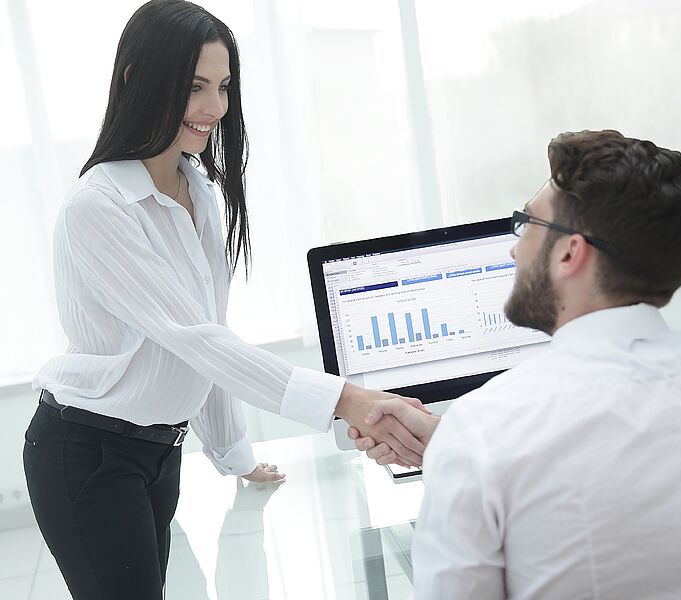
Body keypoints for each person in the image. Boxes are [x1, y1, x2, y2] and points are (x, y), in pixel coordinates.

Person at [21, 2, 424, 598]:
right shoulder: (98, 207)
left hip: (159, 449)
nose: (215, 107)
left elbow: (207, 336)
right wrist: (346, 398)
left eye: (223, 86)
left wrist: (235, 455)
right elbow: (196, 340)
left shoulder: (197, 188)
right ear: (137, 79)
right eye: (195, 87)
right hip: (87, 450)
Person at [350, 130, 681, 599]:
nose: (515, 249)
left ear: (569, 252)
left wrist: (462, 448)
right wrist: (447, 442)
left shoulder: (487, 428)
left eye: (529, 224)